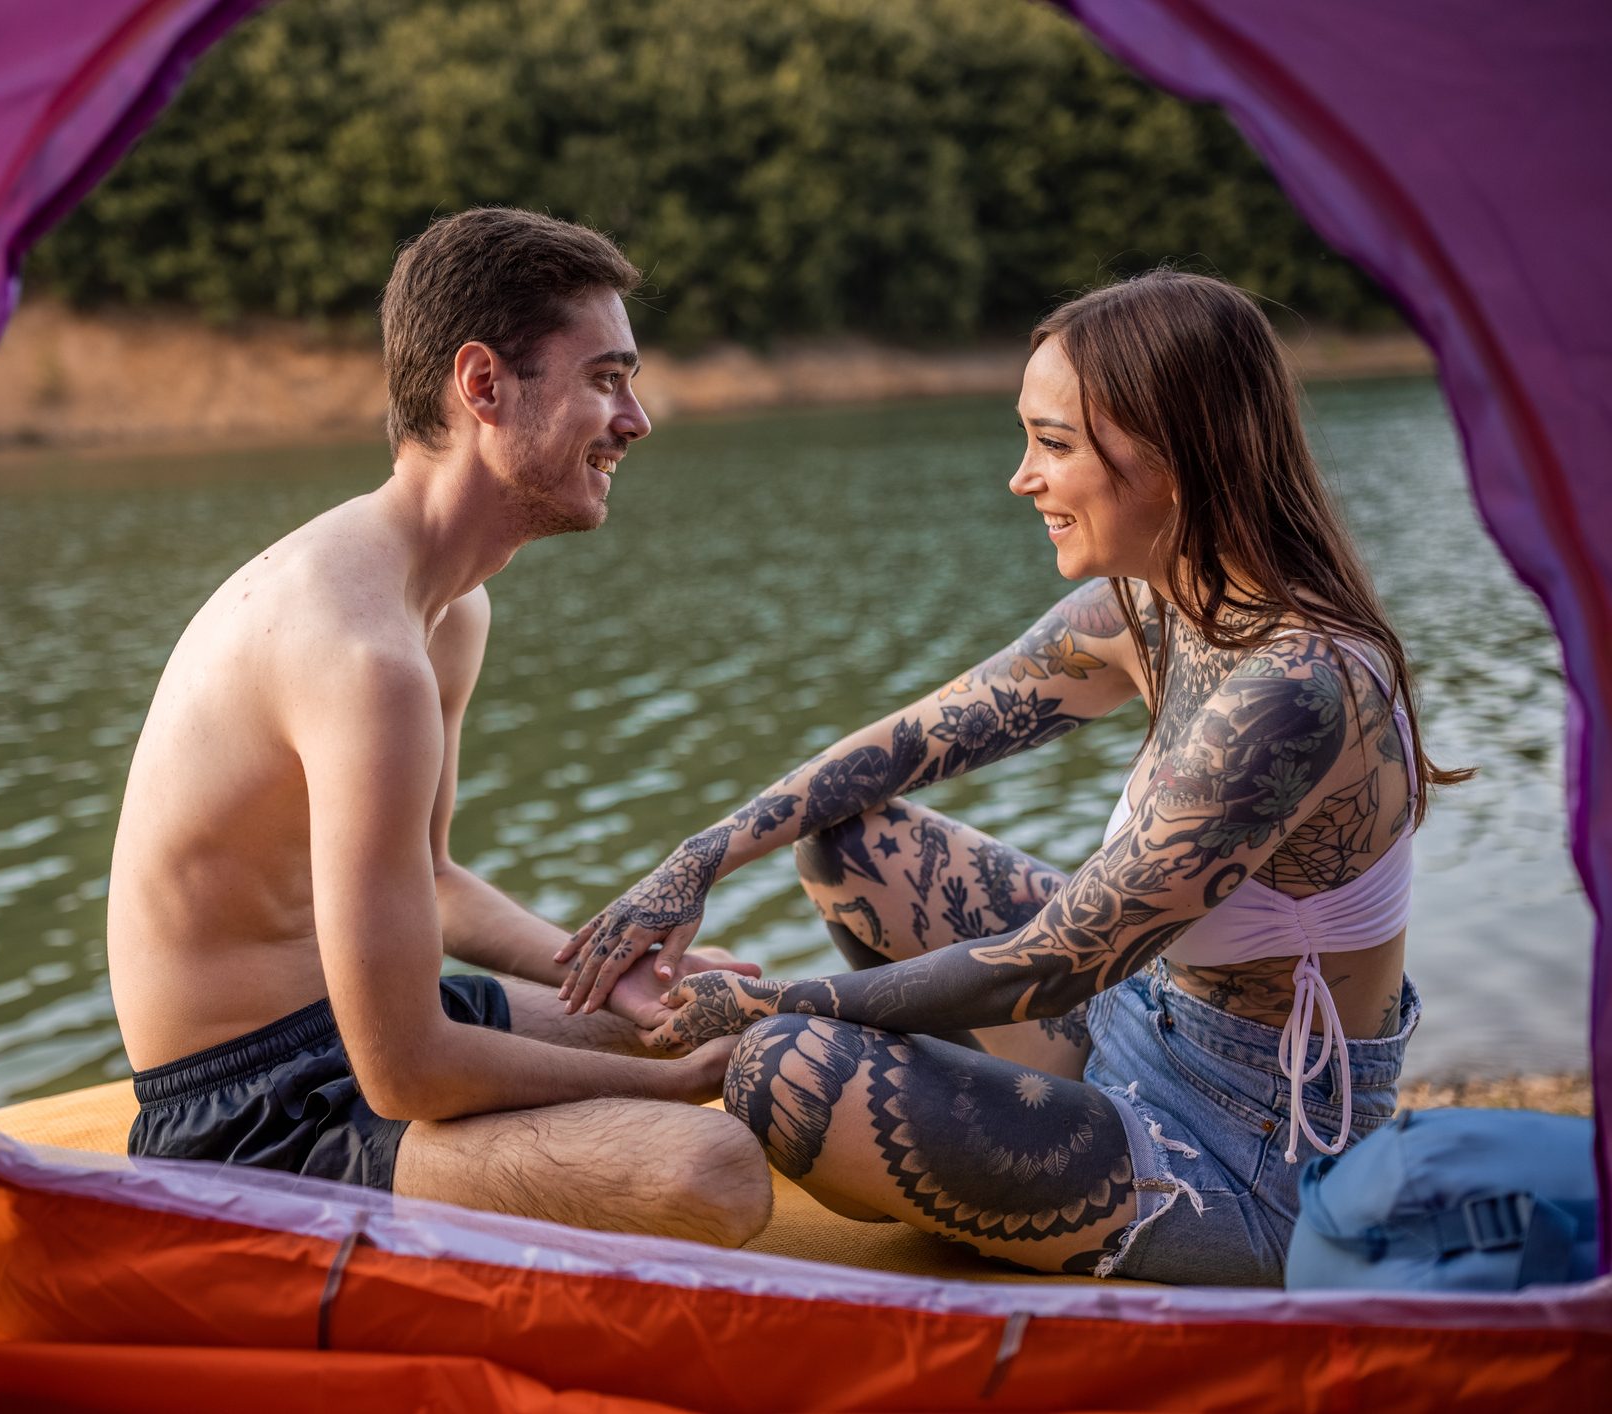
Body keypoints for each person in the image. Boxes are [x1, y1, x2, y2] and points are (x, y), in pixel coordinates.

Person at [555, 270, 1468, 1283]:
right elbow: (909, 740)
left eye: (1054, 443)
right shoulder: (1155, 608)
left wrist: (771, 1002)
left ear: (1175, 453)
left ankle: (1129, 1214)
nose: (1021, 478)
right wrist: (698, 856)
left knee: (786, 1069)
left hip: (1253, 1148)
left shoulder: (1294, 689)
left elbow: (1056, 958)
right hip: (1136, 1016)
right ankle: (1022, 1139)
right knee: (853, 837)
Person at [106, 207, 772, 1246]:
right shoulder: (360, 655)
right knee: (710, 1170)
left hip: (346, 1032)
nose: (635, 417)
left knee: (715, 996)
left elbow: (427, 874)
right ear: (481, 385)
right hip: (250, 1116)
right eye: (604, 377)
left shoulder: (449, 605)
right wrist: (674, 1086)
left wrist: (598, 967)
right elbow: (406, 1068)